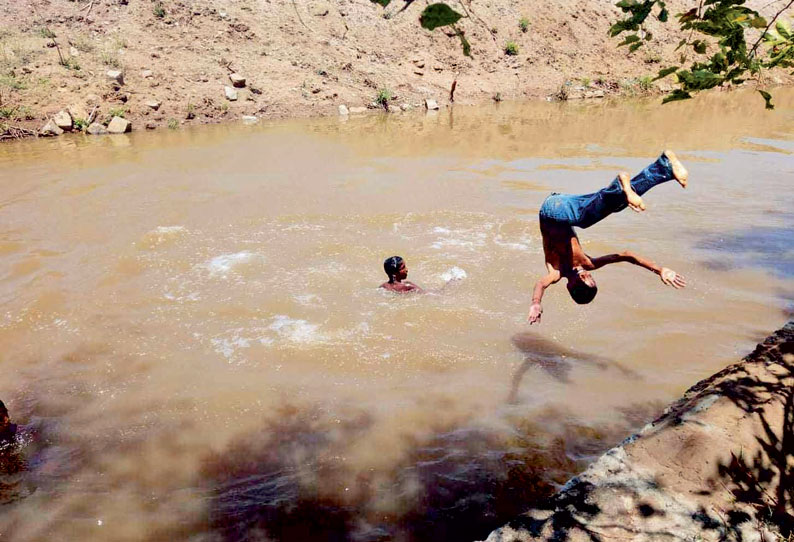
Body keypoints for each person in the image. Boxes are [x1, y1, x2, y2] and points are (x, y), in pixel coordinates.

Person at [528, 150, 688, 325]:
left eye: (584, 280)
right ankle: (663, 167)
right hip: (567, 209)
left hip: (552, 209)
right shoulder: (589, 264)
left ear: (570, 286)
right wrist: (659, 270)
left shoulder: (557, 272)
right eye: (590, 278)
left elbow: (541, 284)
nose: (586, 275)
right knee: (618, 204)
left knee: (587, 218)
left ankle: (620, 184)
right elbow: (627, 256)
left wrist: (536, 303)